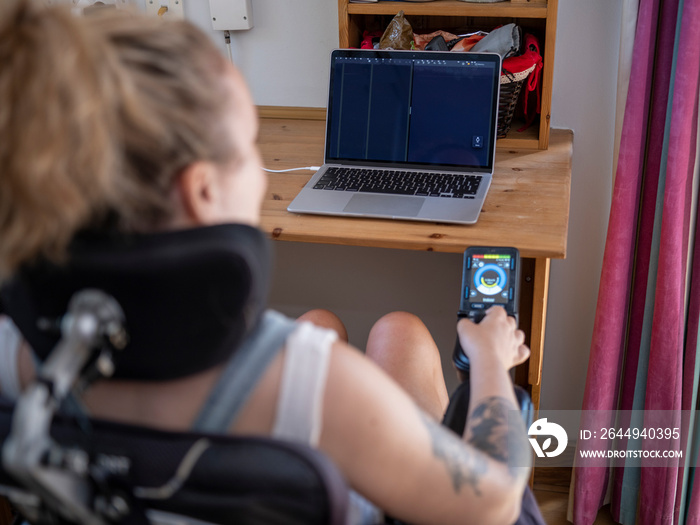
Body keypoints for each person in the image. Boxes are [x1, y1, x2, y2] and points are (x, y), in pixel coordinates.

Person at [0, 2, 533, 524]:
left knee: (321, 323)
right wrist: (491, 362)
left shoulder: (16, 355)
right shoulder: (312, 381)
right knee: (402, 333)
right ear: (202, 191)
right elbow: (492, 502)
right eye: (249, 145)